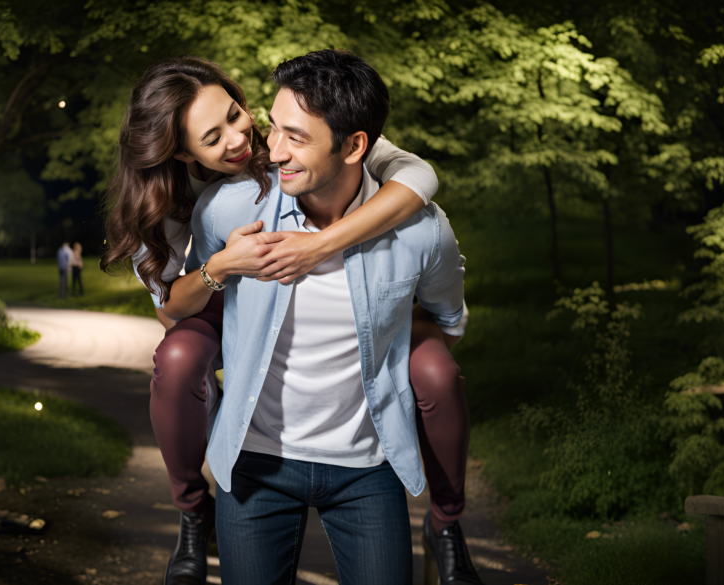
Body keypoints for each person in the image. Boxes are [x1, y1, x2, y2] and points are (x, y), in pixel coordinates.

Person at [100, 56, 476, 584]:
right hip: (217, 300)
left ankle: (445, 522)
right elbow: (169, 306)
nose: (251, 141)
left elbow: (420, 176)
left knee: (435, 368)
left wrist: (322, 248)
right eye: (215, 136)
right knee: (179, 358)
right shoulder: (202, 208)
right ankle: (192, 510)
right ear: (183, 152)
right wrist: (221, 267)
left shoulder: (404, 214)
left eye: (238, 115)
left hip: (365, 463)